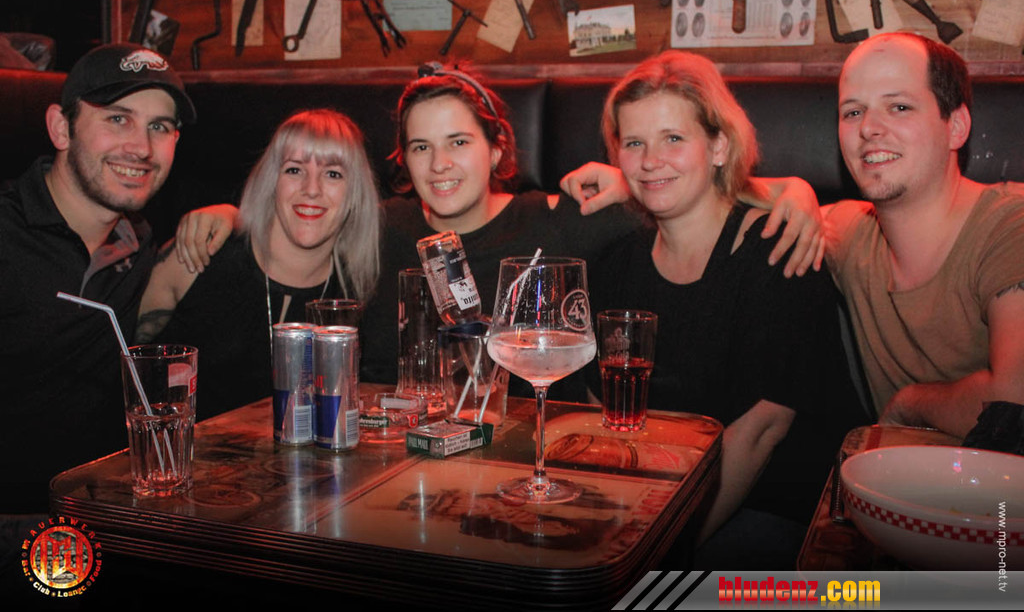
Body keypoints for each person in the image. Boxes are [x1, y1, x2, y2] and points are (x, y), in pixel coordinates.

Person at [174, 64, 823, 396]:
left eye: (458, 141)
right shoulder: (378, 225)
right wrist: (230, 215)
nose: (440, 164)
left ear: (496, 148)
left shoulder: (559, 220)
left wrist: (794, 192)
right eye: (421, 147)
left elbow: (685, 185)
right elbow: (298, 215)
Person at [586, 50, 865, 568]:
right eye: (634, 143)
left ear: (718, 147)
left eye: (673, 138)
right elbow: (600, 411)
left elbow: (761, 431)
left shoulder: (777, 252)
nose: (651, 160)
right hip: (658, 495)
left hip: (784, 510)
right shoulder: (616, 264)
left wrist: (660, 555)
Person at [0, 44, 195, 513]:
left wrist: (228, 216)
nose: (141, 148)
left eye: (159, 127)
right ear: (60, 128)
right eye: (118, 118)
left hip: (100, 514)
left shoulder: (138, 242)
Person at [824, 32, 1024, 438]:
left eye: (899, 107)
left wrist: (910, 405)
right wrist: (790, 189)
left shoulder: (1010, 226)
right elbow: (735, 203)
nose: (869, 128)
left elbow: (1013, 401)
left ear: (956, 127)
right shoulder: (851, 235)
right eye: (853, 112)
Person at [135, 109, 380, 421]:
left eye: (333, 174)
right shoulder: (198, 255)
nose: (312, 189)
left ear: (355, 194)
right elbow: (112, 364)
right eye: (294, 170)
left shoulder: (357, 292)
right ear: (271, 181)